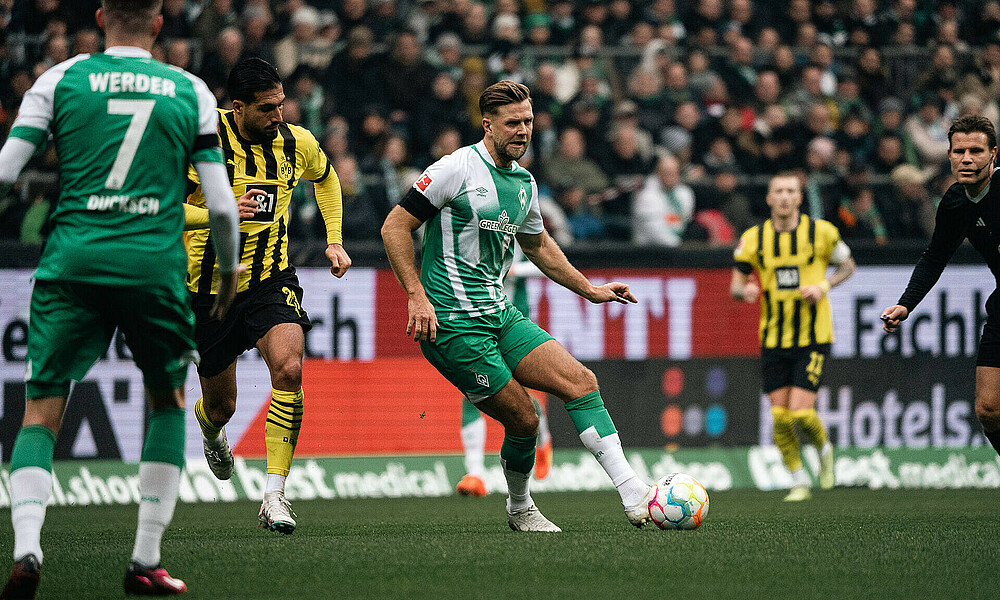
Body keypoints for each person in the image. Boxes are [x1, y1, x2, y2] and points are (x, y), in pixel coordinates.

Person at [0, 1, 242, 596]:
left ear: (103, 16)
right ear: (159, 25)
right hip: (151, 268)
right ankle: (145, 560)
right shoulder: (189, 90)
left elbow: (7, 171)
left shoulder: (60, 79)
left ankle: (28, 547)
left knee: (41, 407)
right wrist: (231, 271)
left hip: (72, 260)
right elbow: (220, 204)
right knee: (166, 402)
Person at [381, 81, 653, 532]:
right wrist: (416, 296)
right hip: (452, 326)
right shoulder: (454, 170)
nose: (523, 131)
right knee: (524, 417)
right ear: (487, 126)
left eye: (528, 121)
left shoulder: (524, 183)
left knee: (581, 381)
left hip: (498, 314)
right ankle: (521, 507)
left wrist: (588, 289)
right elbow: (395, 227)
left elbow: (538, 244)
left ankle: (633, 492)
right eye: (513, 123)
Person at [183, 57, 351, 536]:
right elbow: (159, 208)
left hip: (270, 277)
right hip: (208, 290)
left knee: (290, 369)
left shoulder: (297, 142)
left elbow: (327, 178)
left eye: (281, 104)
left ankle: (275, 495)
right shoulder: (199, 140)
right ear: (237, 108)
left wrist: (334, 238)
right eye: (266, 108)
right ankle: (211, 430)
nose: (279, 115)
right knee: (222, 406)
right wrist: (218, 212)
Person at [731, 173, 856, 502]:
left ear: (800, 198)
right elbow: (735, 284)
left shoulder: (822, 233)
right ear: (769, 198)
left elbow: (848, 265)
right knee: (780, 418)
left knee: (800, 413)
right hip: (773, 338)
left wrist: (824, 286)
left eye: (791, 191)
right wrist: (746, 291)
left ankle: (825, 451)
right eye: (778, 191)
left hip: (813, 336)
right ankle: (799, 480)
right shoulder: (753, 239)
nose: (785, 197)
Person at [881, 114, 1000, 459]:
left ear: (994, 154)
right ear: (947, 154)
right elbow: (935, 257)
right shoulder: (955, 203)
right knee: (989, 410)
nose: (967, 158)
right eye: (959, 151)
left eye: (976, 151)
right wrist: (906, 304)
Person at [457, 246, 553, 497]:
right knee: (471, 391)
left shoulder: (519, 218)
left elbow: (549, 261)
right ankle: (475, 474)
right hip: (476, 318)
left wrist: (515, 270)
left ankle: (541, 430)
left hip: (513, 321)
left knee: (515, 393)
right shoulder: (473, 225)